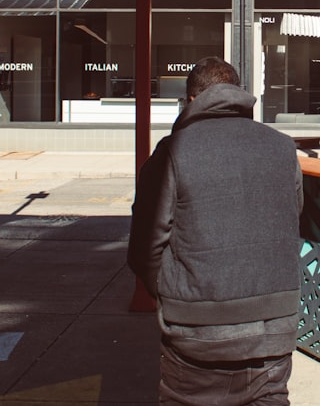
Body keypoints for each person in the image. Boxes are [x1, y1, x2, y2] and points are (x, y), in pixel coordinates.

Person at [128, 57, 303, 405]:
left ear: (191, 100)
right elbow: (295, 217)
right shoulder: (283, 148)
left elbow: (146, 246)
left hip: (198, 330)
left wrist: (170, 291)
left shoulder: (172, 151)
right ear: (238, 94)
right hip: (274, 329)